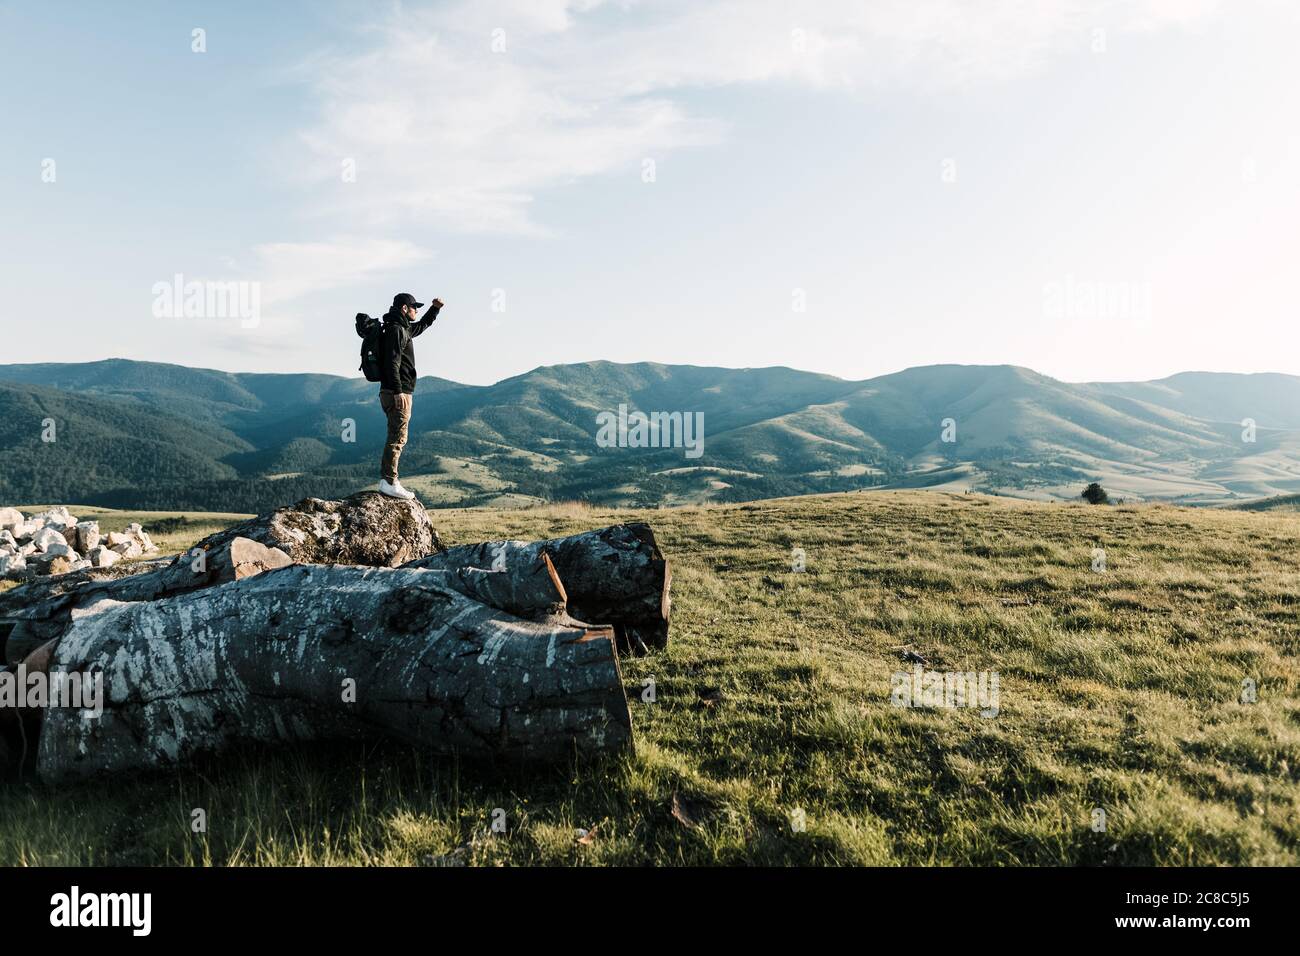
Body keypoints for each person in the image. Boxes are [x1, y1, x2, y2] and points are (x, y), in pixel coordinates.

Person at [377, 292, 443, 499]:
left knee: (395, 436)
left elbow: (422, 326)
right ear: (405, 308)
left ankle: (388, 479)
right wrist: (398, 391)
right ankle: (389, 481)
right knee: (397, 437)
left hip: (394, 391)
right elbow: (392, 363)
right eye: (415, 307)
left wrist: (435, 309)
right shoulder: (397, 330)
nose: (417, 311)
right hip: (398, 392)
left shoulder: (400, 328)